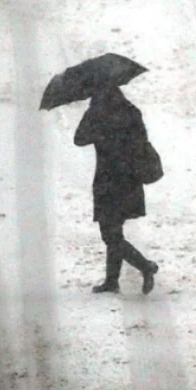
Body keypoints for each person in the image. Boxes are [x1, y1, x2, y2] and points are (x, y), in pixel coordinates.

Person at [73, 86, 159, 294]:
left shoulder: (97, 115)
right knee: (114, 231)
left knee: (110, 235)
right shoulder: (131, 111)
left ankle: (145, 266)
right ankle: (112, 281)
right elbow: (142, 141)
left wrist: (91, 117)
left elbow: (79, 139)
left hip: (107, 181)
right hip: (129, 180)